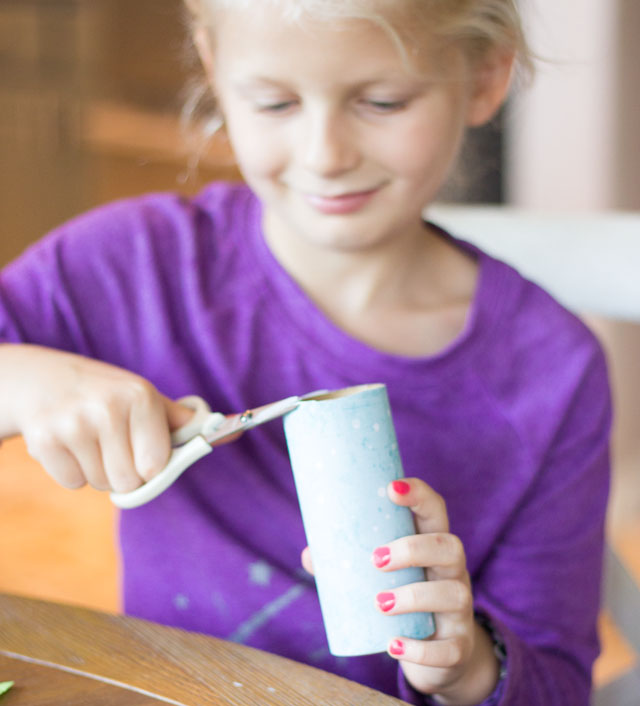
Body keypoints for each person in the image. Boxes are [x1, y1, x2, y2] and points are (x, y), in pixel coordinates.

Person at [0, 1, 611, 704]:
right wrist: (26, 385)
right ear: (213, 67)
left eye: (383, 101)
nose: (326, 154)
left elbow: (557, 685)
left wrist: (468, 663)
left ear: (484, 76)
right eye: (276, 101)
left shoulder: (553, 373)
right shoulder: (136, 266)